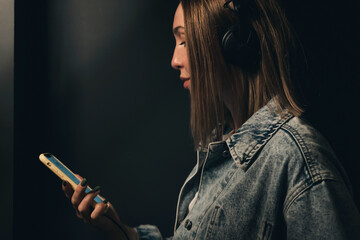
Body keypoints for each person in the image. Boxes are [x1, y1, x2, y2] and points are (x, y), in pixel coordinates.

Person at [62, 0, 360, 239]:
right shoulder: (227, 147)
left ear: (235, 45)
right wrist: (122, 232)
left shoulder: (297, 159)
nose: (174, 60)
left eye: (184, 41)